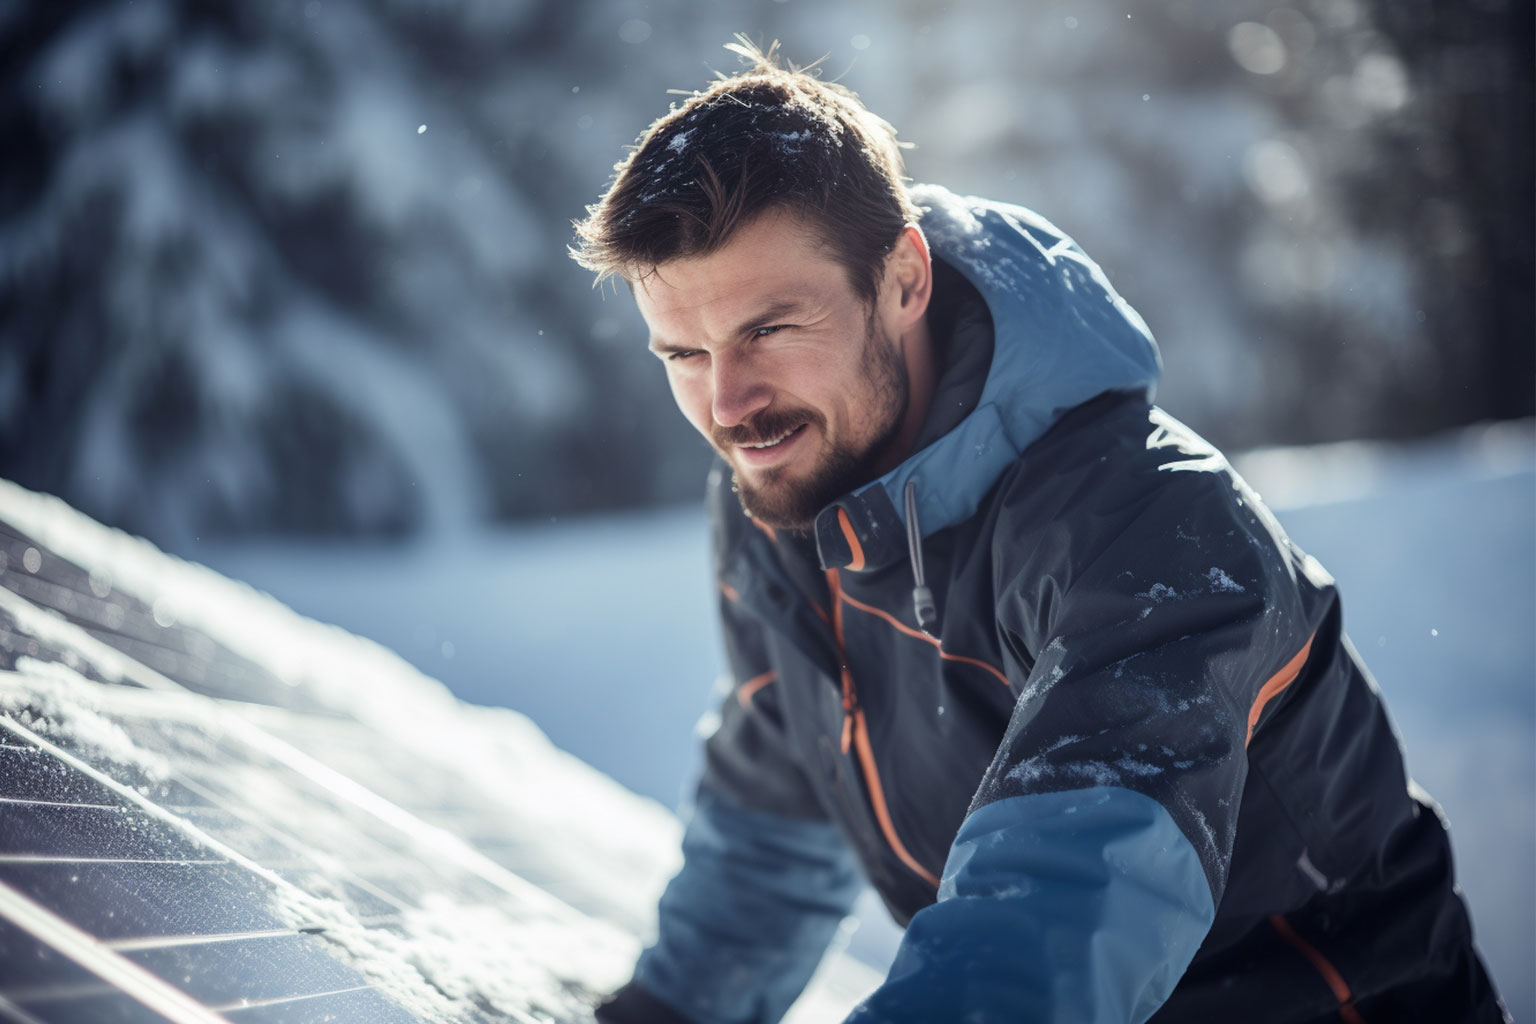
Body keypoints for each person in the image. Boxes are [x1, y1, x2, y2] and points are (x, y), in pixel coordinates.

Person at [570, 40, 1506, 1024]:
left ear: (904, 280)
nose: (728, 404)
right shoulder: (784, 494)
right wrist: (667, 1014)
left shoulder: (1156, 533)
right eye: (683, 352)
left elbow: (1053, 916)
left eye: (769, 329)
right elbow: (774, 816)